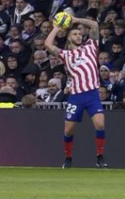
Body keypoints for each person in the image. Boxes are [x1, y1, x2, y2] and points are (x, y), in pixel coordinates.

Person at [44, 15, 106, 169]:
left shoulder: (91, 46)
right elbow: (47, 44)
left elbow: (94, 25)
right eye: (75, 34)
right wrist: (57, 27)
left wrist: (76, 20)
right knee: (69, 129)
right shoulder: (66, 55)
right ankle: (68, 158)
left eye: (79, 34)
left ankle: (100, 157)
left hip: (92, 94)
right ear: (69, 38)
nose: (79, 36)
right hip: (76, 96)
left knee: (100, 124)